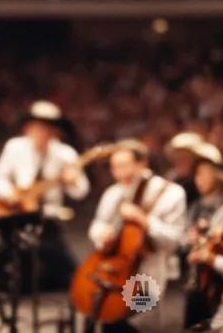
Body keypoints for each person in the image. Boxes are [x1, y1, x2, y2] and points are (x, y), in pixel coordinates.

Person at [0, 101, 89, 295]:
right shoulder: (15, 147)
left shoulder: (65, 154)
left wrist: (72, 181)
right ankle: (21, 289)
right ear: (27, 128)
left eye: (46, 127)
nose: (41, 132)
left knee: (71, 276)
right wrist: (10, 194)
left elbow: (81, 191)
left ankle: (43, 285)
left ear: (55, 131)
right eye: (37, 126)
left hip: (49, 220)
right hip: (19, 218)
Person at [86, 139, 187, 332]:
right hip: (115, 268)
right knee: (110, 320)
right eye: (114, 167)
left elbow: (175, 239)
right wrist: (102, 234)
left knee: (139, 323)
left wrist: (145, 221)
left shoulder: (171, 193)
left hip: (146, 271)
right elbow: (97, 223)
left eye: (125, 166)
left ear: (142, 164)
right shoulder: (113, 192)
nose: (120, 173)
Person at [182, 143, 223, 329]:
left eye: (203, 173)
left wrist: (210, 258)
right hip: (204, 285)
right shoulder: (201, 207)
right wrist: (198, 241)